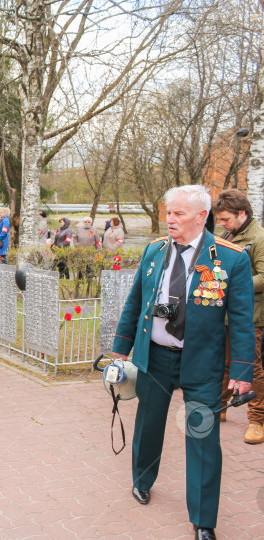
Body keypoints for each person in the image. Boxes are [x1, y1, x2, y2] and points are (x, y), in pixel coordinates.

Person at [112, 185, 254, 540]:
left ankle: (204, 520)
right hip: (155, 358)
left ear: (201, 216)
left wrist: (241, 371)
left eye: (177, 213)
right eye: (168, 211)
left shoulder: (231, 258)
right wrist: (121, 348)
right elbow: (136, 302)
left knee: (203, 438)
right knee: (148, 424)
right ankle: (142, 481)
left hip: (202, 365)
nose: (169, 219)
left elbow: (240, 319)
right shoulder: (154, 250)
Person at [213, 189, 264, 444]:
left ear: (242, 213)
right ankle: (219, 408)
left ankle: (257, 420)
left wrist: (230, 284)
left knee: (251, 367)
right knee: (223, 361)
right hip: (225, 312)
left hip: (250, 316)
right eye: (220, 220)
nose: (222, 224)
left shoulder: (259, 237)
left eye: (225, 219)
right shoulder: (228, 235)